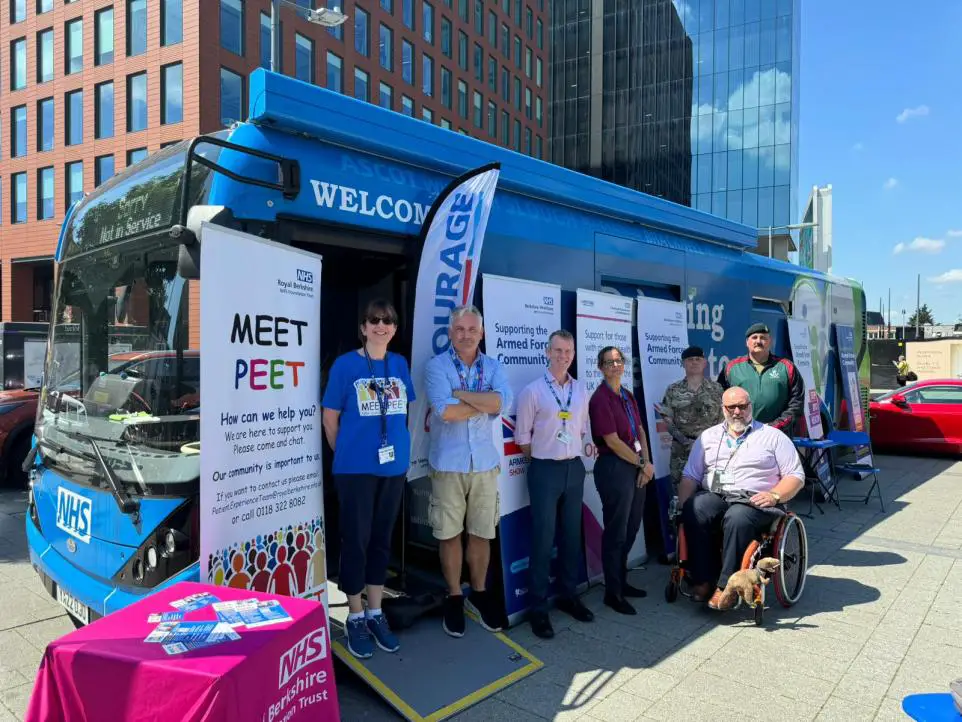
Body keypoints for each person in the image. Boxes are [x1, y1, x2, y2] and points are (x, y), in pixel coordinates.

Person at [321, 299, 415, 659]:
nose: (381, 325)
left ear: (394, 328)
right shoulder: (346, 366)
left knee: (380, 539)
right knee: (356, 540)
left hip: (392, 469)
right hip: (355, 471)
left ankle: (376, 612)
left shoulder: (399, 364)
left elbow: (403, 412)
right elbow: (330, 419)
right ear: (363, 327)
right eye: (374, 320)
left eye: (387, 320)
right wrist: (347, 451)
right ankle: (355, 615)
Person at [424, 305, 513, 638]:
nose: (465, 335)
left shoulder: (494, 366)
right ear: (451, 332)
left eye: (472, 329)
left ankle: (479, 591)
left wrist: (461, 394)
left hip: (485, 464)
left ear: (482, 333)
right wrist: (481, 399)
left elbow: (501, 404)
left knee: (481, 532)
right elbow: (444, 411)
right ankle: (454, 595)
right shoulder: (437, 366)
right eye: (459, 329)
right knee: (448, 534)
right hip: (448, 463)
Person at [678, 387, 804, 610]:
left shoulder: (772, 437)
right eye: (731, 407)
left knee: (737, 517)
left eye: (742, 406)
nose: (737, 411)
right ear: (723, 409)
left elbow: (795, 475)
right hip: (718, 494)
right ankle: (704, 579)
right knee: (695, 509)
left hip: (755, 500)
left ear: (750, 407)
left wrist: (775, 495)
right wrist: (682, 506)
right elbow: (690, 475)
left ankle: (726, 587)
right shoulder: (708, 437)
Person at [515, 330, 594, 639]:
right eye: (558, 350)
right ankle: (538, 607)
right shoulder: (533, 391)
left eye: (568, 351)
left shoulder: (581, 389)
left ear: (573, 354)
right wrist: (547, 457)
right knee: (543, 538)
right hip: (545, 470)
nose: (563, 356)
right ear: (547, 352)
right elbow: (523, 439)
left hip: (574, 468)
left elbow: (581, 429)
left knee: (572, 535)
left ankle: (568, 595)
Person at [588, 346, 655, 615]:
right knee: (616, 532)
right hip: (615, 467)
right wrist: (640, 463)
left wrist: (647, 464)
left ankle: (621, 580)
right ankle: (612, 593)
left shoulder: (627, 395)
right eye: (609, 362)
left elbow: (639, 429)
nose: (615, 365)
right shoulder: (600, 398)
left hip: (636, 466)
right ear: (601, 367)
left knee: (631, 527)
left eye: (618, 360)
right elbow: (613, 441)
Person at [655, 346, 724, 491]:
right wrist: (686, 442)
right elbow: (667, 420)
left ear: (704, 363)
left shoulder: (716, 389)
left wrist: (707, 443)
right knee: (681, 497)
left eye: (698, 359)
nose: (694, 362)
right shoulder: (673, 390)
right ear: (683, 363)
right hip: (682, 452)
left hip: (711, 451)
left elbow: (722, 420)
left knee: (714, 494)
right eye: (690, 360)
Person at [717, 322, 804, 433]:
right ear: (747, 342)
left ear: (770, 341)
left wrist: (775, 426)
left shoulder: (787, 367)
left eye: (763, 338)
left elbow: (797, 404)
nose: (758, 341)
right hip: (741, 433)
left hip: (778, 433)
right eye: (754, 337)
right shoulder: (731, 367)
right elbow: (720, 399)